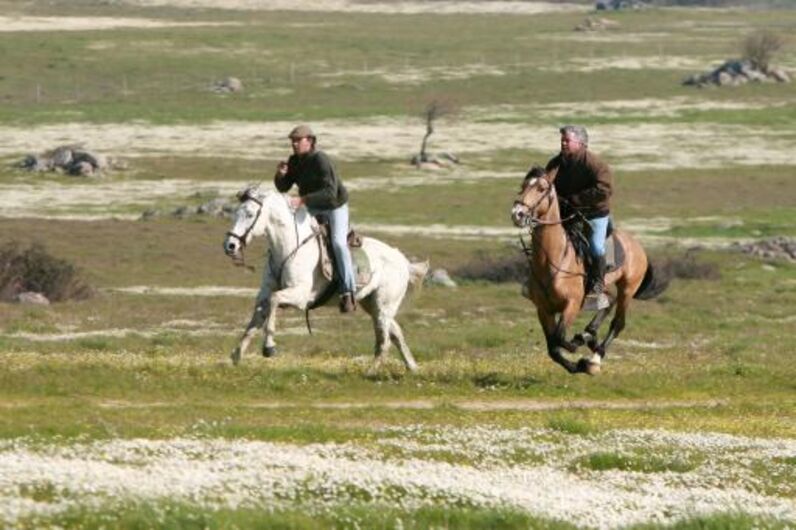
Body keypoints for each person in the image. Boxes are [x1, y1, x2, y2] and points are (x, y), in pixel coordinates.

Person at [274, 125, 357, 313]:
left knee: (337, 243)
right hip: (312, 205)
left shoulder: (321, 159)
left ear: (310, 141)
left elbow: (330, 192)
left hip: (335, 206)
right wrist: (281, 175)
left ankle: (348, 292)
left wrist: (303, 199)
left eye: (298, 140)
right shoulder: (294, 161)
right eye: (292, 141)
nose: (294, 144)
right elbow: (283, 187)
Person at [545, 125, 612, 309]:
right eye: (562, 140)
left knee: (597, 248)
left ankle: (598, 286)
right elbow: (546, 186)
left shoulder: (596, 165)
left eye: (567, 140)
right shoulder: (555, 164)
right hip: (568, 213)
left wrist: (574, 199)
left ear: (581, 143)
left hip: (595, 213)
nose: (563, 143)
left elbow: (604, 190)